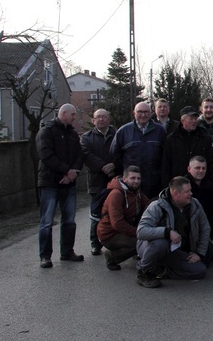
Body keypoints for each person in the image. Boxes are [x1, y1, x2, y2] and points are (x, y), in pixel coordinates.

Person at [135, 176, 213, 288]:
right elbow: (141, 231)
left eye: (191, 190)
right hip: (153, 247)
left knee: (199, 270)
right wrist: (167, 232)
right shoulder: (157, 206)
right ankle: (143, 272)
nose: (191, 194)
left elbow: (205, 228)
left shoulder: (195, 204)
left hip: (176, 250)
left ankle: (161, 272)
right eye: (187, 191)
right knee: (161, 243)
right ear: (175, 193)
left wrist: (199, 253)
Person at [36, 104, 85, 268]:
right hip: (50, 182)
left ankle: (67, 251)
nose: (74, 118)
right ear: (63, 113)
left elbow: (80, 155)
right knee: (47, 221)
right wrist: (66, 171)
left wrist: (73, 173)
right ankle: (45, 256)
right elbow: (46, 155)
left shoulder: (72, 134)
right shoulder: (47, 131)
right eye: (72, 114)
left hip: (69, 183)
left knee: (69, 220)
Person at [96, 166, 151, 271]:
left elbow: (149, 204)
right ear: (124, 179)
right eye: (133, 178)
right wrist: (140, 232)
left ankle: (136, 251)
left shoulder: (136, 191)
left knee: (146, 239)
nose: (136, 181)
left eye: (138, 178)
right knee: (142, 242)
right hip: (109, 234)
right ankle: (112, 257)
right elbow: (117, 223)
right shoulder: (116, 194)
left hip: (123, 230)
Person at [111, 102, 166, 199]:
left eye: (146, 112)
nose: (143, 115)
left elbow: (166, 155)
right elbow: (115, 155)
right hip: (131, 183)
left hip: (154, 182)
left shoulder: (160, 131)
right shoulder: (123, 131)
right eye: (140, 112)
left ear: (151, 113)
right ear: (134, 113)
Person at [80, 108, 116, 255]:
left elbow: (122, 152)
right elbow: (86, 155)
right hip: (96, 181)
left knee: (115, 212)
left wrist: (114, 165)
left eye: (104, 117)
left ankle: (113, 242)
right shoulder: (86, 138)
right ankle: (95, 243)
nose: (101, 119)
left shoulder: (118, 135)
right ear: (93, 121)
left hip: (115, 180)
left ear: (109, 119)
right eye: (98, 117)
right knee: (96, 214)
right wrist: (103, 166)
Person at [161, 106, 213, 187]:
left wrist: (212, 182)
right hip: (178, 185)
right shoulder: (171, 139)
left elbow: (212, 161)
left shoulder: (205, 138)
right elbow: (166, 165)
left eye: (195, 118)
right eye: (191, 118)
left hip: (201, 185)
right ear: (182, 120)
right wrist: (167, 186)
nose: (194, 121)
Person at [185, 156, 213, 243]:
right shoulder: (183, 186)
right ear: (189, 169)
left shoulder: (210, 186)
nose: (201, 171)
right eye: (197, 168)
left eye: (203, 168)